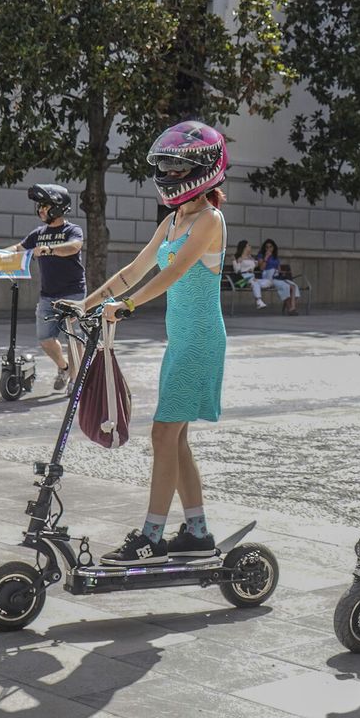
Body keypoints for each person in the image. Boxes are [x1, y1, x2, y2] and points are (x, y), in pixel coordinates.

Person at [70, 121, 230, 565]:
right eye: (167, 164)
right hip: (180, 341)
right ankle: (197, 533)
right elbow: (134, 270)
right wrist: (85, 304)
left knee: (163, 435)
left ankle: (152, 538)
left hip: (200, 341)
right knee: (175, 440)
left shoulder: (210, 220)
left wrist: (128, 306)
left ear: (205, 170)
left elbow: (172, 274)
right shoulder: (174, 219)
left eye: (179, 164)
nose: (171, 171)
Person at [3, 184, 85, 390]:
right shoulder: (38, 233)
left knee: (74, 340)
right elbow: (18, 248)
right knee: (45, 340)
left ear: (58, 207)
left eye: (45, 206)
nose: (40, 210)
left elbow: (74, 246)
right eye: (39, 206)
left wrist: (49, 249)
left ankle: (76, 381)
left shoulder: (72, 230)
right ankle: (64, 368)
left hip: (73, 293)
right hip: (48, 296)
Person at [253, 237, 300, 314]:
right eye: (267, 247)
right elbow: (261, 268)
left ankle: (292, 308)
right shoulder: (261, 255)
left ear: (273, 247)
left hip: (277, 276)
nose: (269, 248)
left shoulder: (275, 257)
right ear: (264, 248)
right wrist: (266, 257)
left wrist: (282, 272)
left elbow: (279, 268)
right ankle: (291, 309)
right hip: (268, 277)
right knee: (287, 287)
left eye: (270, 246)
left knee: (294, 286)